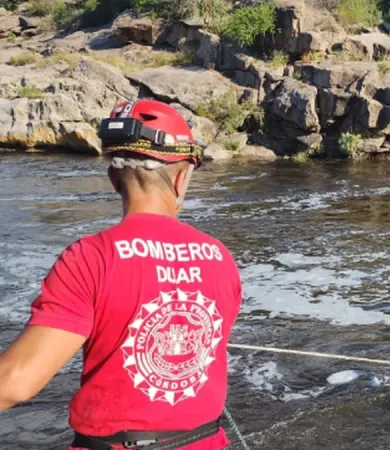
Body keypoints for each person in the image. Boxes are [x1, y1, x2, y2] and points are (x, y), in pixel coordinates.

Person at [0, 99, 242, 450]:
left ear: (114, 178)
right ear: (181, 176)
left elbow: (15, 382)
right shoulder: (220, 258)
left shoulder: (90, 258)